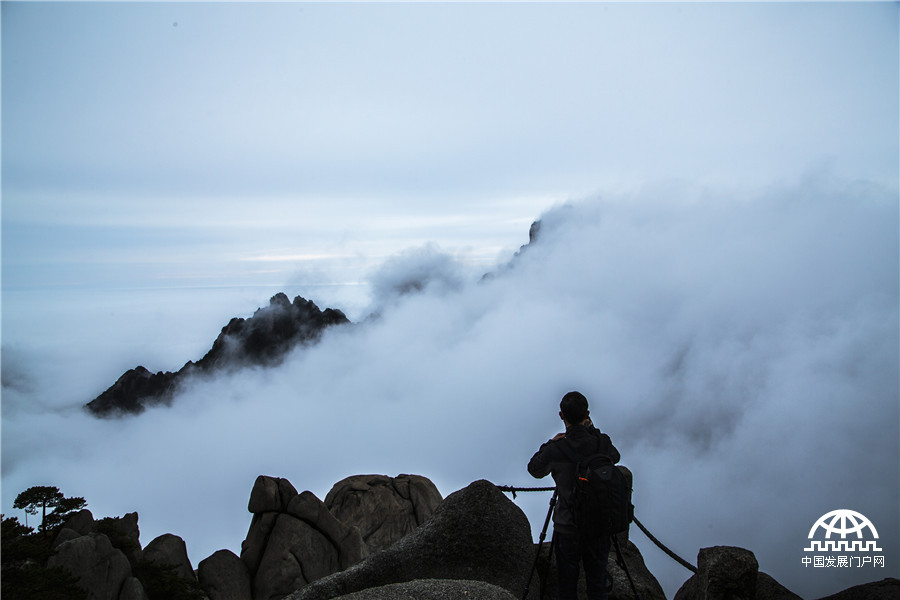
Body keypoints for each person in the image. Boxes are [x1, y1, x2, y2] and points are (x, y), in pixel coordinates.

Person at [527, 391, 621, 600]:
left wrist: (549, 443)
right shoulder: (602, 443)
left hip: (567, 526)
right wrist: (593, 430)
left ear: (561, 416)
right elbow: (615, 456)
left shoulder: (556, 449)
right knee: (597, 586)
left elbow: (534, 469)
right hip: (599, 526)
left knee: (566, 588)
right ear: (587, 414)